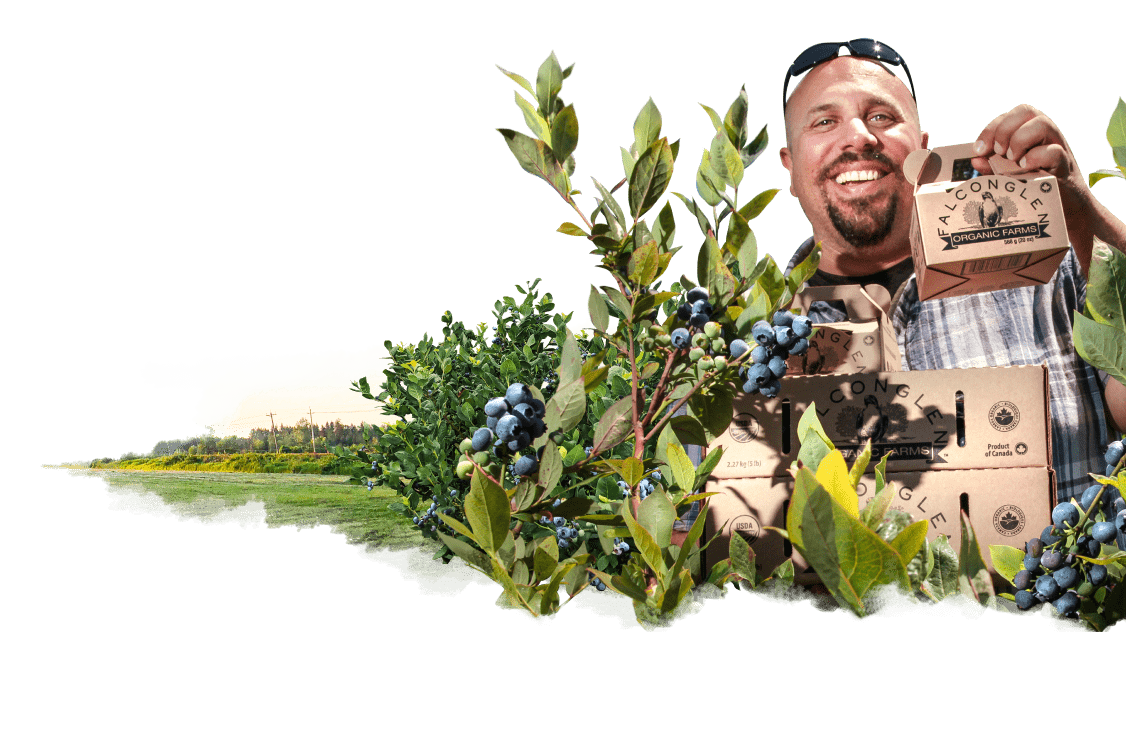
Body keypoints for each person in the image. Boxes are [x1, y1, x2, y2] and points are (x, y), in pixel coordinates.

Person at [776, 39, 1126, 501]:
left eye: (882, 117)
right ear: (790, 167)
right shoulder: (752, 339)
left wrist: (1080, 209)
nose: (859, 136)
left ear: (922, 150)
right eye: (824, 121)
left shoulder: (1048, 270)